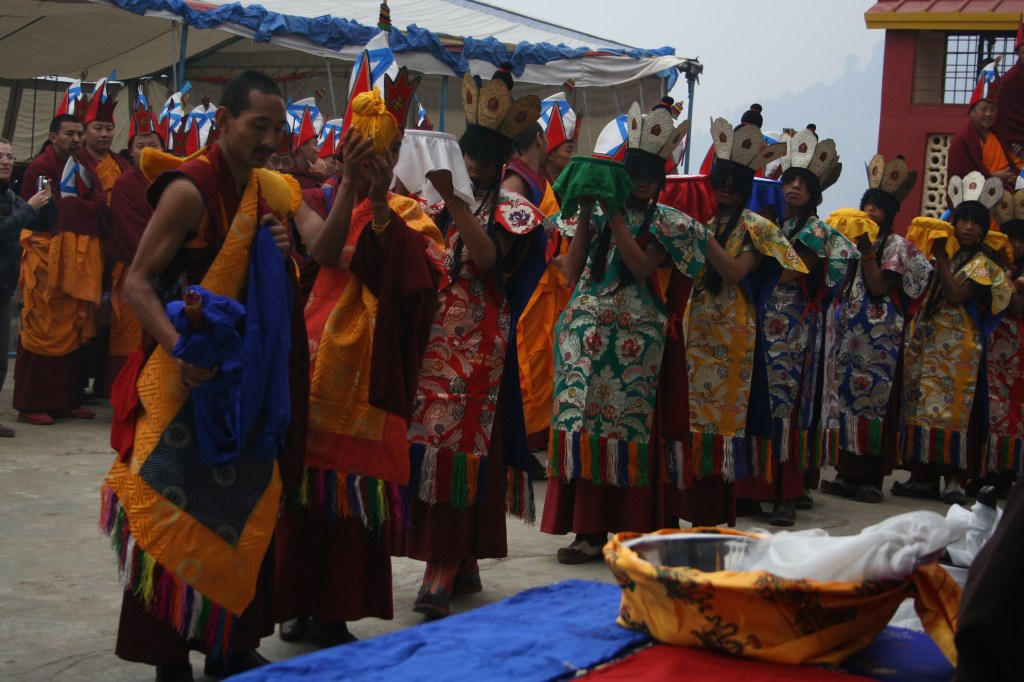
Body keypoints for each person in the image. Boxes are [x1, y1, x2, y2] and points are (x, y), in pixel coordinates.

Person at [101, 70, 303, 682]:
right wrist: (181, 351)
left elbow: (280, 271)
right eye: (256, 126)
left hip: (245, 379)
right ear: (223, 120)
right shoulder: (189, 190)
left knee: (238, 506)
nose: (269, 140)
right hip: (185, 376)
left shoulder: (266, 192)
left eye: (277, 129)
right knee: (172, 509)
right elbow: (137, 282)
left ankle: (229, 643)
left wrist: (278, 248)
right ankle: (168, 655)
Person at [275, 81, 445, 646]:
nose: (376, 160)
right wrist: (349, 184)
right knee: (306, 485)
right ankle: (297, 603)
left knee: (355, 492)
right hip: (320, 356)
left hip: (375, 369)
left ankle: (336, 608)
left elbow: (414, 285)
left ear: (398, 158)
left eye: (384, 153)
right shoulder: (320, 198)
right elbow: (323, 253)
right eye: (360, 150)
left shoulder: (415, 217)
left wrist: (378, 204)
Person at [393, 65, 546, 618]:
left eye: (487, 153)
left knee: (456, 452)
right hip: (432, 340)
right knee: (427, 447)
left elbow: (486, 261)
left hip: (479, 347)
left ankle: (441, 565)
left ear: (504, 156)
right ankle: (462, 560)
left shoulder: (515, 210)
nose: (477, 162)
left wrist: (455, 198)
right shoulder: (430, 204)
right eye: (470, 150)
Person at [542, 100, 706, 562]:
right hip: (582, 333)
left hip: (636, 341)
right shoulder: (591, 214)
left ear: (662, 177)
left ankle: (629, 525)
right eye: (635, 170)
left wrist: (614, 216)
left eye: (652, 172)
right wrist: (590, 211)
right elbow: (573, 271)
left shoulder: (670, 225)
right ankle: (587, 530)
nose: (643, 180)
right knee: (580, 426)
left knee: (624, 430)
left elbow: (638, 268)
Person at [665, 118, 799, 527]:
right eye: (721, 179)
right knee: (680, 415)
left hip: (732, 334)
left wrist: (699, 232)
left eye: (735, 182)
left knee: (718, 422)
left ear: (747, 186)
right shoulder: (694, 218)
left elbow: (734, 272)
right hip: (689, 325)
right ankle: (674, 507)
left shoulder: (760, 229)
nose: (726, 188)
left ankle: (709, 512)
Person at [738, 128, 858, 526]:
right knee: (754, 400)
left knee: (784, 407)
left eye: (802, 183)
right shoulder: (765, 222)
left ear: (814, 193)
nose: (793, 187)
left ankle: (787, 493)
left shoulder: (817, 232)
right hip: (757, 320)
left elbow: (788, 273)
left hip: (791, 329)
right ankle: (751, 489)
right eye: (788, 179)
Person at [820, 155, 932, 503]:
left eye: (878, 207)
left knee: (874, 404)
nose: (870, 210)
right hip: (847, 334)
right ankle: (845, 473)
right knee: (844, 403)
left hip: (880, 339)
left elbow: (880, 285)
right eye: (866, 203)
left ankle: (870, 479)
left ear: (891, 212)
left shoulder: (895, 245)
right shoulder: (851, 241)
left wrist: (867, 250)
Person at [898, 172, 1013, 505]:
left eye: (976, 223)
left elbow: (957, 294)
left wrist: (942, 260)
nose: (968, 228)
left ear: (984, 228)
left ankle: (954, 482)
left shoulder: (985, 263)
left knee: (953, 414)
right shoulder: (947, 255)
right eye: (962, 220)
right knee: (922, 406)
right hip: (930, 341)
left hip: (961, 348)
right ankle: (922, 477)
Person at [15, 112, 105, 425]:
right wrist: (79, 207)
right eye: (70, 134)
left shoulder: (84, 165)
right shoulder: (41, 167)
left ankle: (68, 400)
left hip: (76, 258)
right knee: (43, 326)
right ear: (54, 137)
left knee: (74, 326)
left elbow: (98, 203)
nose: (77, 140)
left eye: (80, 134)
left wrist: (80, 207)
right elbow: (39, 212)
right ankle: (32, 403)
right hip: (46, 255)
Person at [105, 104, 164, 393]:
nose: (146, 150)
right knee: (129, 335)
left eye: (153, 144)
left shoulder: (168, 178)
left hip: (166, 268)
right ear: (131, 151)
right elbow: (129, 231)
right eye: (140, 145)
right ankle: (123, 396)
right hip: (135, 267)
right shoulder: (126, 183)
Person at [0, 137, 54, 437]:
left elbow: (43, 224)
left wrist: (47, 201)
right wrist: (28, 209)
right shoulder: (15, 204)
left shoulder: (9, 196)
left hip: (5, 284)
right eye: (0, 156)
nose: (6, 161)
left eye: (9, 156)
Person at [984, 189, 1024, 479]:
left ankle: (1007, 469)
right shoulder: (996, 267)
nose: (1017, 245)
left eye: (1022, 240)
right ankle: (984, 467)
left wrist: (1000, 277)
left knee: (1013, 409)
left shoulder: (1004, 272)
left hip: (1018, 346)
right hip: (991, 341)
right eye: (1012, 239)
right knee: (989, 406)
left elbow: (1017, 305)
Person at [948, 61, 1017, 191]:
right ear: (972, 111)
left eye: (993, 109)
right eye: (984, 109)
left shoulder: (996, 135)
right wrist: (992, 177)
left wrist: (1011, 177)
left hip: (1005, 199)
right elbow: (960, 179)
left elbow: (1010, 167)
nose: (988, 114)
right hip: (976, 204)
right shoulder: (962, 140)